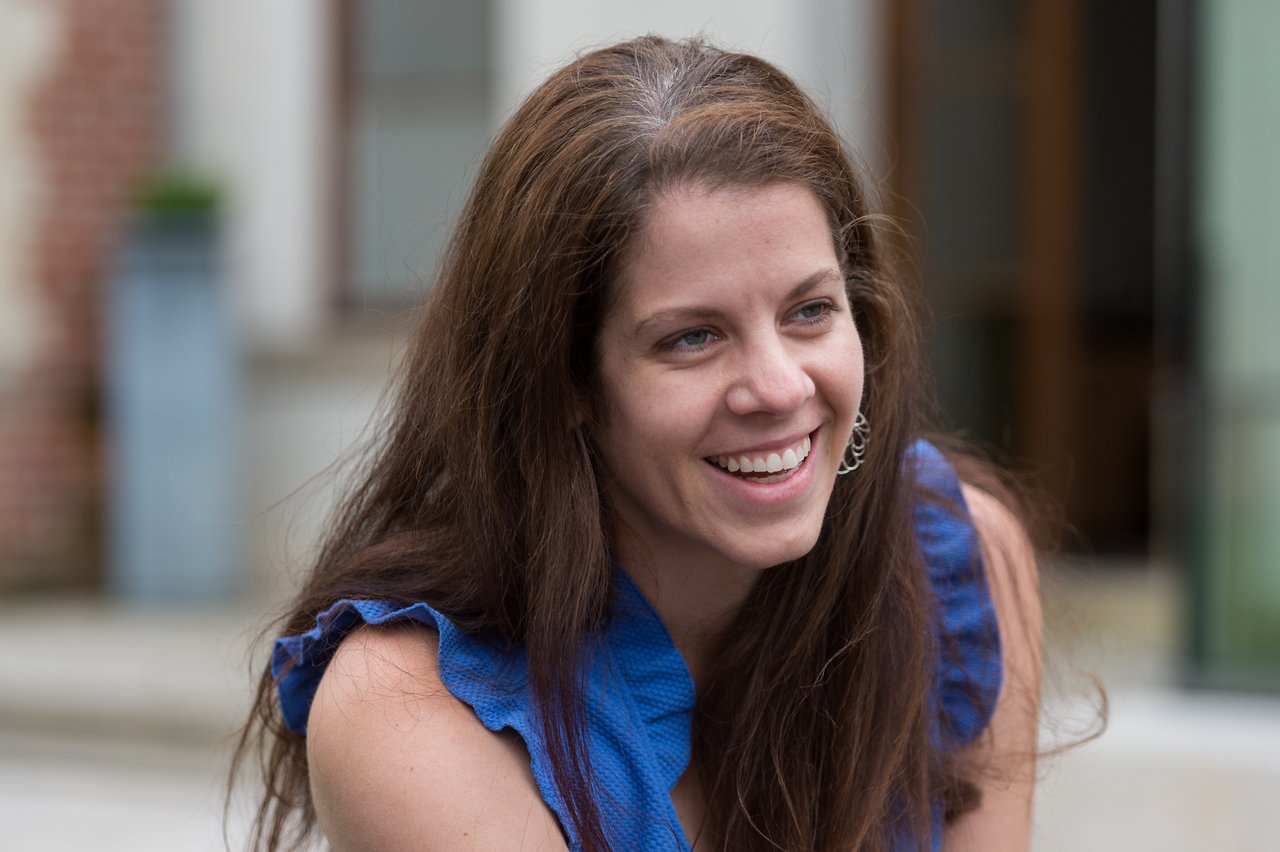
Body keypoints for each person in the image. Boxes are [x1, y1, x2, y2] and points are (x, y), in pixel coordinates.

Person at [236, 35, 1042, 851]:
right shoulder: (409, 705)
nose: (781, 388)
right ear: (566, 383)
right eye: (693, 338)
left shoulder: (952, 565)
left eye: (810, 311)